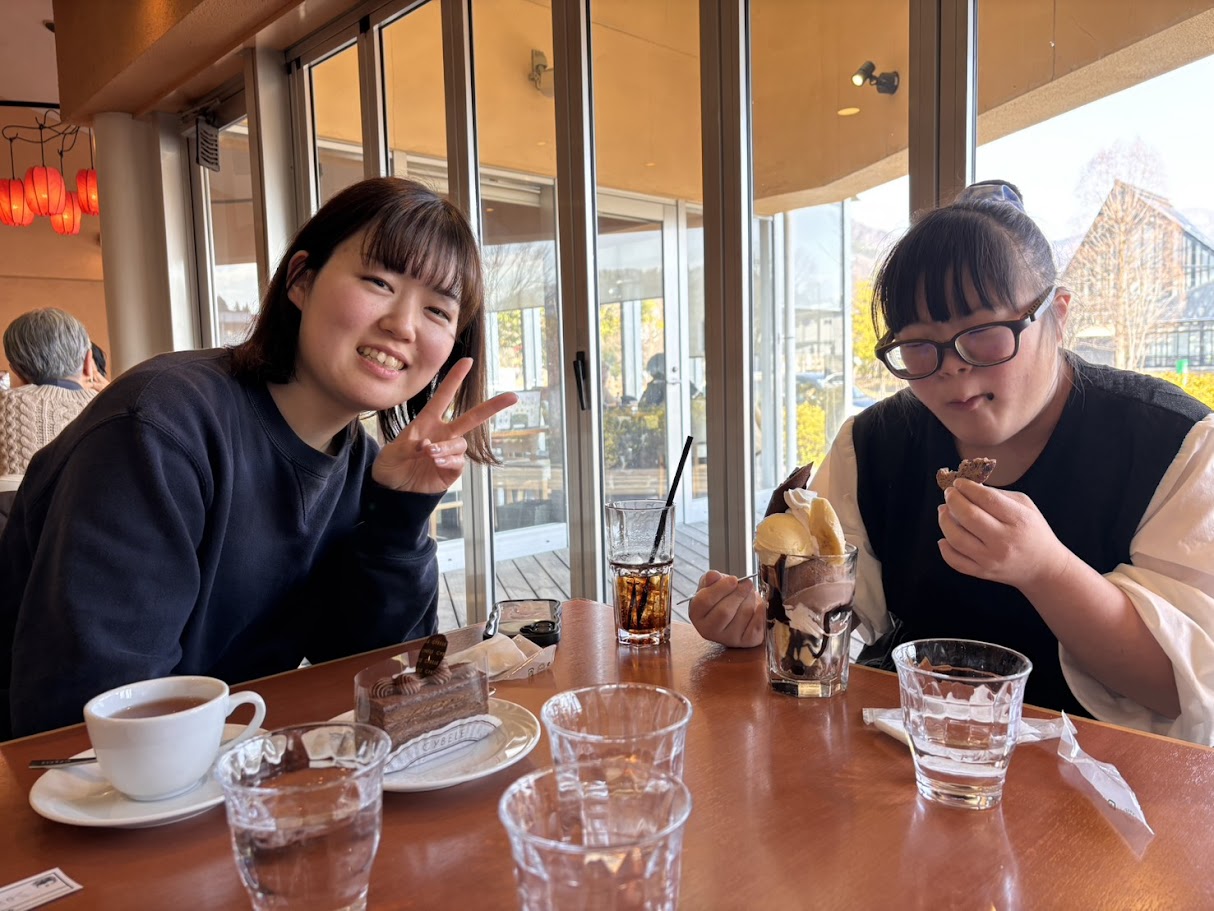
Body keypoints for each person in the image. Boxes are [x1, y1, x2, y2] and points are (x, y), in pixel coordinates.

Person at [690, 179, 1214, 746]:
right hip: (907, 760)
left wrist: (1046, 570)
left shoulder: (1173, 445)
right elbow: (825, 614)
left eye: (983, 334)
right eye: (919, 346)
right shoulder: (872, 444)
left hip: (1105, 776)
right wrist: (753, 620)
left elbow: (1180, 690)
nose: (952, 368)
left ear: (1057, 315)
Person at [0, 177, 517, 738]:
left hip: (220, 756)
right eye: (378, 281)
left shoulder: (357, 464)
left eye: (438, 311)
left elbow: (377, 674)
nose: (403, 324)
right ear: (301, 279)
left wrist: (398, 515)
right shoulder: (162, 426)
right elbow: (95, 711)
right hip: (71, 776)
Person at [0, 308, 107, 476]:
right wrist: (113, 392)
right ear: (89, 361)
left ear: (16, 370)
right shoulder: (113, 405)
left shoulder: (6, 404)